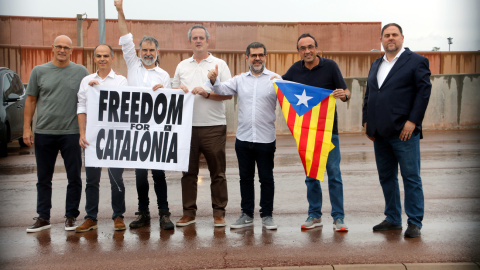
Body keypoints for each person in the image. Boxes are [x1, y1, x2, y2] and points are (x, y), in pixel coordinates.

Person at [362, 23, 431, 238]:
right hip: (380, 134)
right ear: (381, 40)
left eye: (394, 35)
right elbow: (369, 95)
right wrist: (366, 121)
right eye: (386, 35)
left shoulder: (416, 61)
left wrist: (413, 121)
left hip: (405, 133)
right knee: (387, 178)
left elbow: (423, 92)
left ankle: (414, 222)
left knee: (411, 177)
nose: (390, 38)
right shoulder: (376, 64)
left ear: (402, 37)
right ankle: (392, 218)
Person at [115, 0, 177, 230]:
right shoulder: (132, 65)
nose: (148, 53)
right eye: (144, 50)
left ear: (157, 52)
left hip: (156, 132)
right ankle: (143, 213)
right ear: (139, 52)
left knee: (158, 175)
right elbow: (125, 36)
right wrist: (120, 10)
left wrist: (165, 93)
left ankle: (164, 213)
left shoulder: (164, 75)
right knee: (140, 177)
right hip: (136, 131)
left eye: (152, 50)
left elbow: (170, 106)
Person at [206, 42, 280, 230]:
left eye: (261, 55)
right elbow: (220, 90)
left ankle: (267, 216)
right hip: (244, 139)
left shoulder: (276, 79)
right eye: (253, 55)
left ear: (265, 57)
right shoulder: (239, 80)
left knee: (266, 179)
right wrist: (214, 80)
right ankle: (246, 215)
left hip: (266, 139)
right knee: (245, 179)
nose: (257, 58)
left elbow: (293, 99)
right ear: (246, 57)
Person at [282, 33, 350, 232]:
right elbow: (282, 86)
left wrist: (343, 95)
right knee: (311, 176)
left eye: (310, 47)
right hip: (306, 133)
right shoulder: (295, 69)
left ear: (317, 48)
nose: (307, 51)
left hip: (329, 131)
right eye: (302, 48)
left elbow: (346, 92)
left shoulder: (330, 67)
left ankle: (339, 217)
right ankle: (314, 215)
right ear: (298, 51)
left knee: (334, 174)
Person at [24, 35, 89, 233]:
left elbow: (93, 93)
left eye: (66, 47)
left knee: (74, 178)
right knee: (43, 178)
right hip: (44, 132)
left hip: (71, 133)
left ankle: (71, 216)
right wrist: (26, 128)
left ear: (72, 50)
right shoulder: (39, 71)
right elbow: (31, 100)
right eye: (59, 46)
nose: (62, 50)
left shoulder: (81, 72)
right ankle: (43, 217)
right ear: (52, 48)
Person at [172, 24, 233, 227]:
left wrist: (207, 93)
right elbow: (172, 95)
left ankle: (219, 213)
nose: (198, 41)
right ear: (190, 41)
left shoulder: (219, 64)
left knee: (218, 172)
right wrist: (178, 91)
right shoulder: (182, 66)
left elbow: (228, 94)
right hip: (186, 127)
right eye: (194, 38)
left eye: (201, 38)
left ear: (207, 41)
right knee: (188, 173)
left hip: (213, 126)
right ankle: (189, 213)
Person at [75, 44, 128, 232]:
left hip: (114, 137)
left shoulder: (121, 81)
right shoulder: (86, 81)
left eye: (106, 55)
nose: (103, 58)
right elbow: (81, 108)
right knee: (91, 180)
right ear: (94, 58)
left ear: (112, 58)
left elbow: (122, 107)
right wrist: (82, 134)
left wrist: (101, 91)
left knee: (116, 179)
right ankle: (91, 217)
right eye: (99, 55)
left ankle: (119, 216)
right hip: (92, 137)